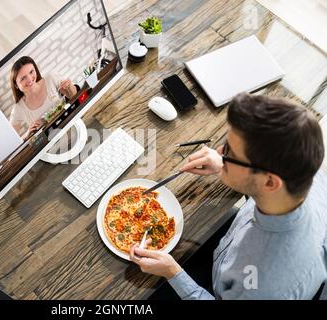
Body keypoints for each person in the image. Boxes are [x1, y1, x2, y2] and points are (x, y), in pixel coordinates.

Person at [130, 93, 327, 299]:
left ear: (269, 182)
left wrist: (172, 272)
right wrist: (225, 165)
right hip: (226, 258)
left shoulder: (267, 287)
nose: (218, 151)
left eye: (229, 152)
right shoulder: (301, 172)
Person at [9, 56, 78, 140]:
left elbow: (74, 97)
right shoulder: (18, 108)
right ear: (16, 85)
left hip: (73, 125)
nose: (30, 79)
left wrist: (69, 86)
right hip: (50, 144)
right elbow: (12, 141)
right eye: (23, 78)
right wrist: (27, 135)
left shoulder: (50, 78)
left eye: (31, 72)